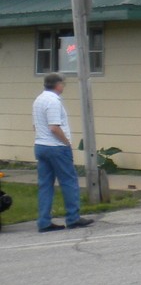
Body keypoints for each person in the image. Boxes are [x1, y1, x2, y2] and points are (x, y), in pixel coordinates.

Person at [32, 73, 94, 232]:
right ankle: (73, 218)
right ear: (58, 84)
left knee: (45, 184)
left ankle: (44, 221)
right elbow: (54, 127)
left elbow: (36, 125)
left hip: (40, 144)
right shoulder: (53, 101)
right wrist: (66, 142)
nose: (63, 86)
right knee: (68, 181)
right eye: (63, 84)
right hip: (56, 147)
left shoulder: (39, 100)